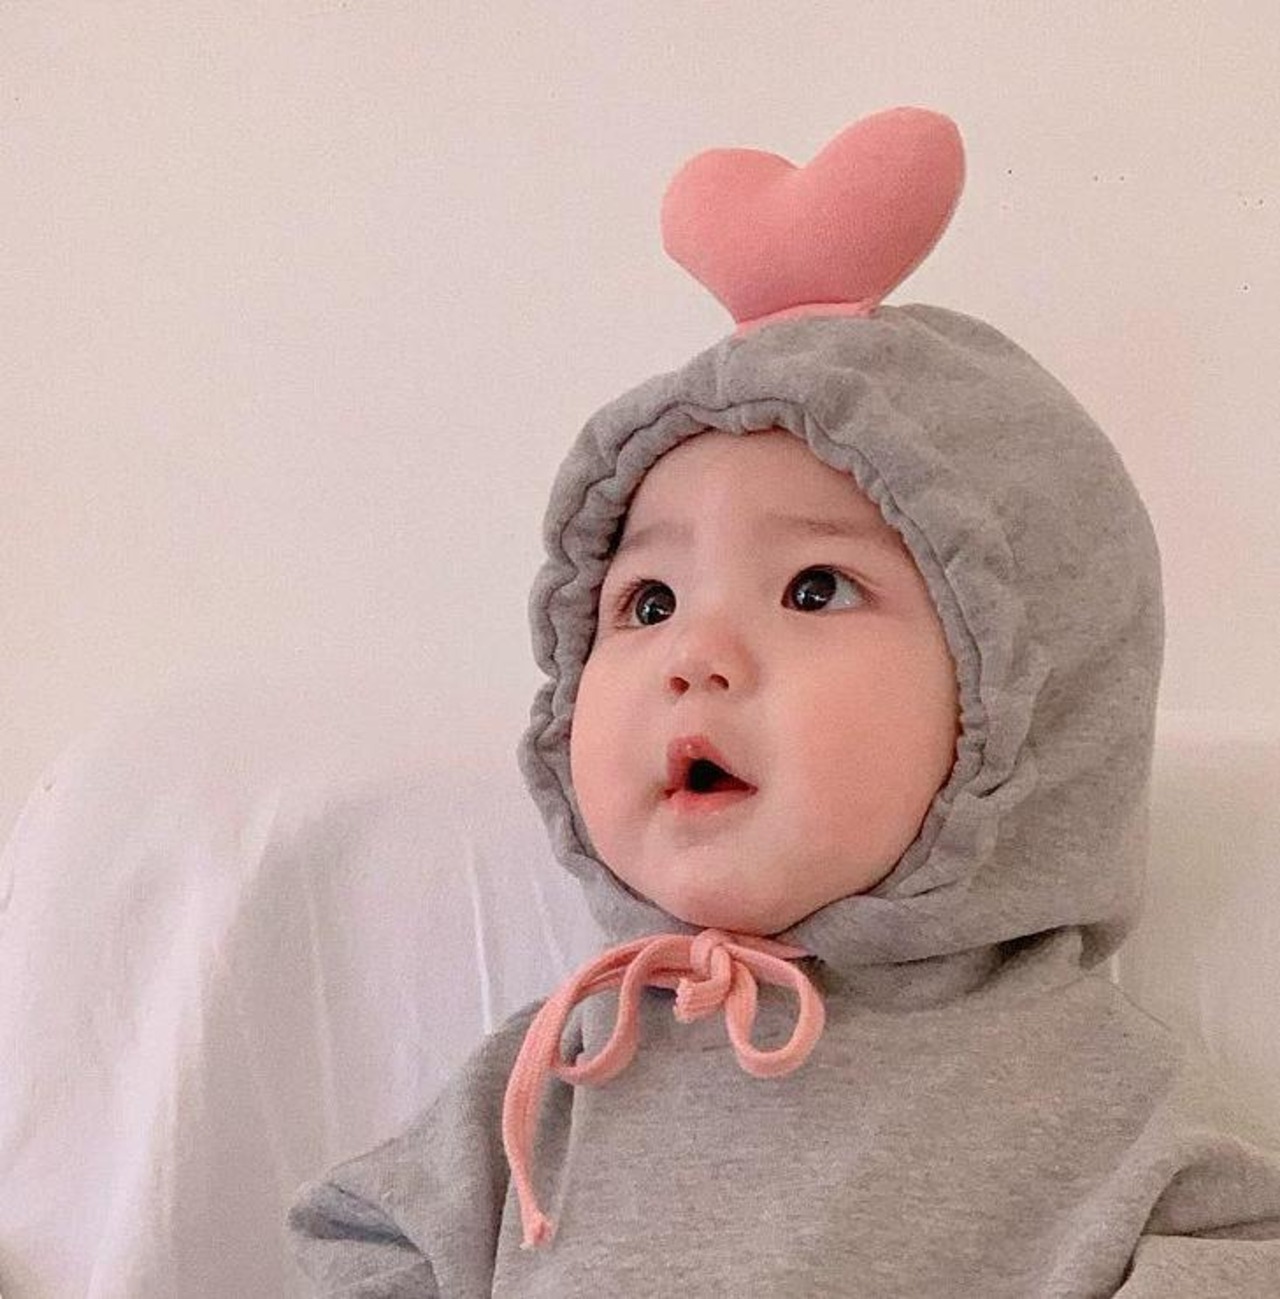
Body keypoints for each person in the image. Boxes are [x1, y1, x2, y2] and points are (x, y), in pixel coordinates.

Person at [287, 108, 1280, 1295]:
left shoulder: (1094, 1098)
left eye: (813, 588)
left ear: (1023, 694)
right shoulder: (559, 1076)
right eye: (647, 602)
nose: (693, 654)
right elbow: (361, 1241)